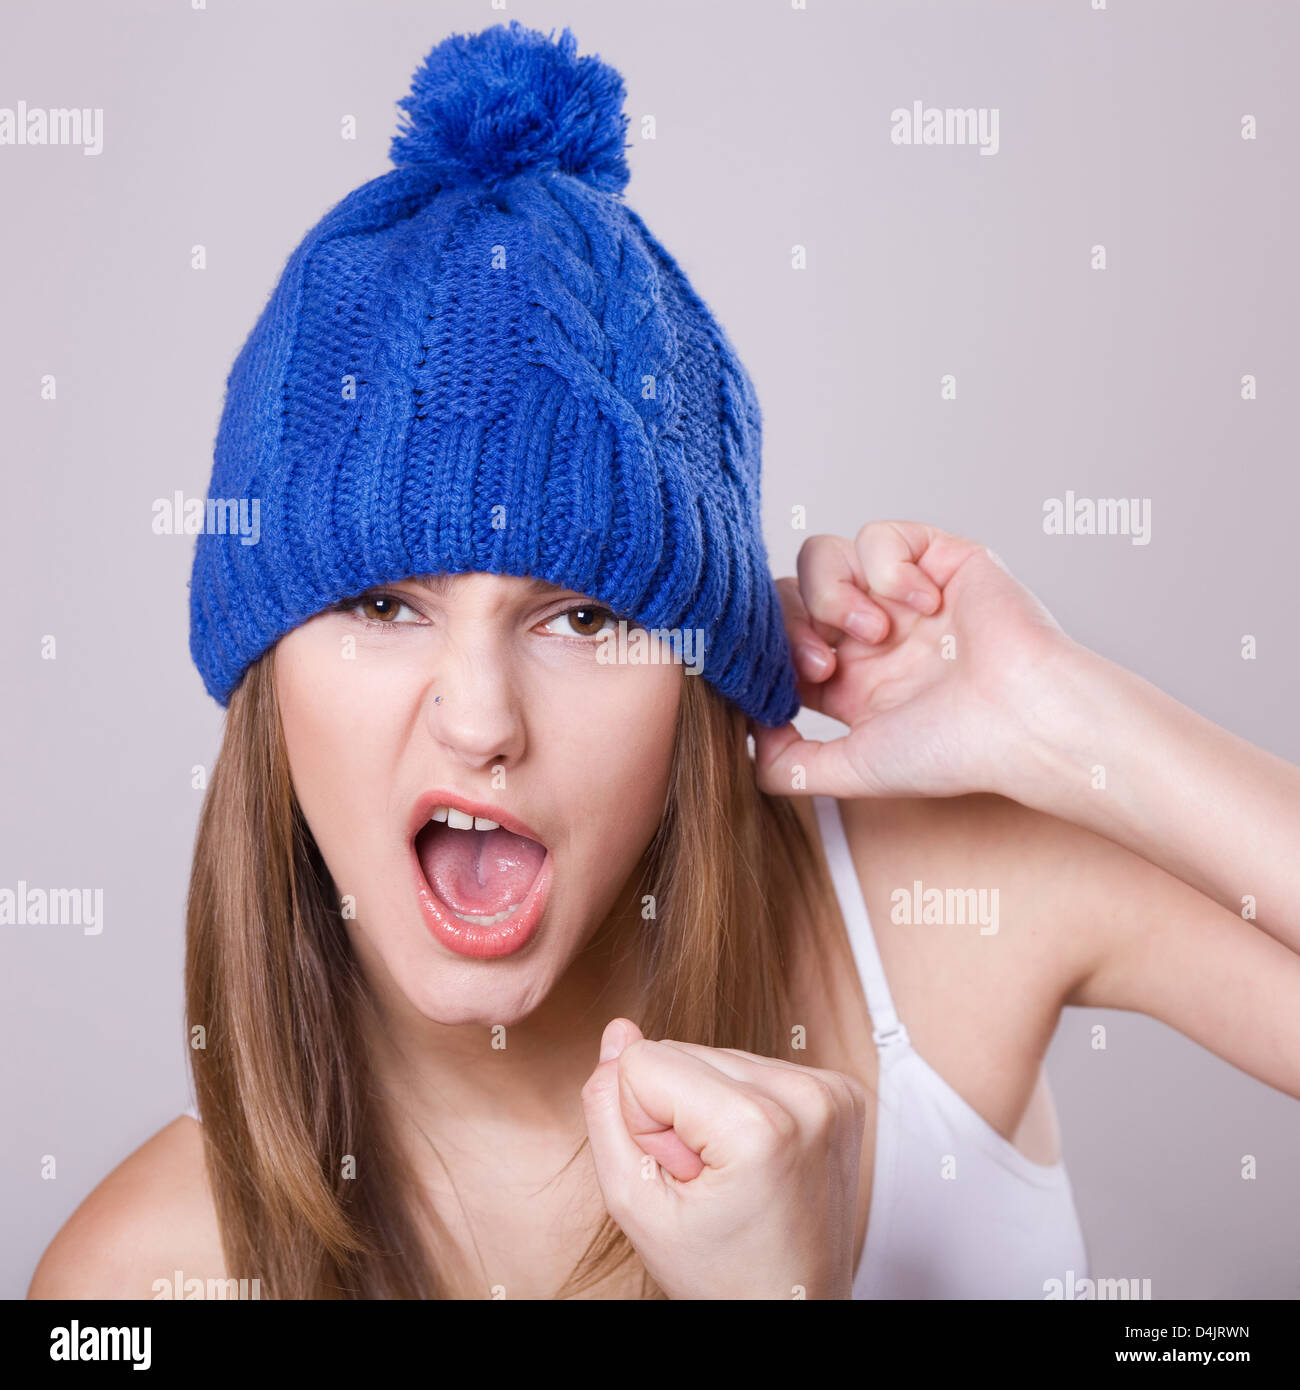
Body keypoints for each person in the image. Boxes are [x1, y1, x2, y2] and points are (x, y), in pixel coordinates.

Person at [28, 21, 1300, 1301]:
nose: (479, 719)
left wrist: (1065, 720)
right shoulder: (140, 1283)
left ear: (700, 676)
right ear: (266, 679)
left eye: (583, 617)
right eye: (381, 603)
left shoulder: (933, 904)